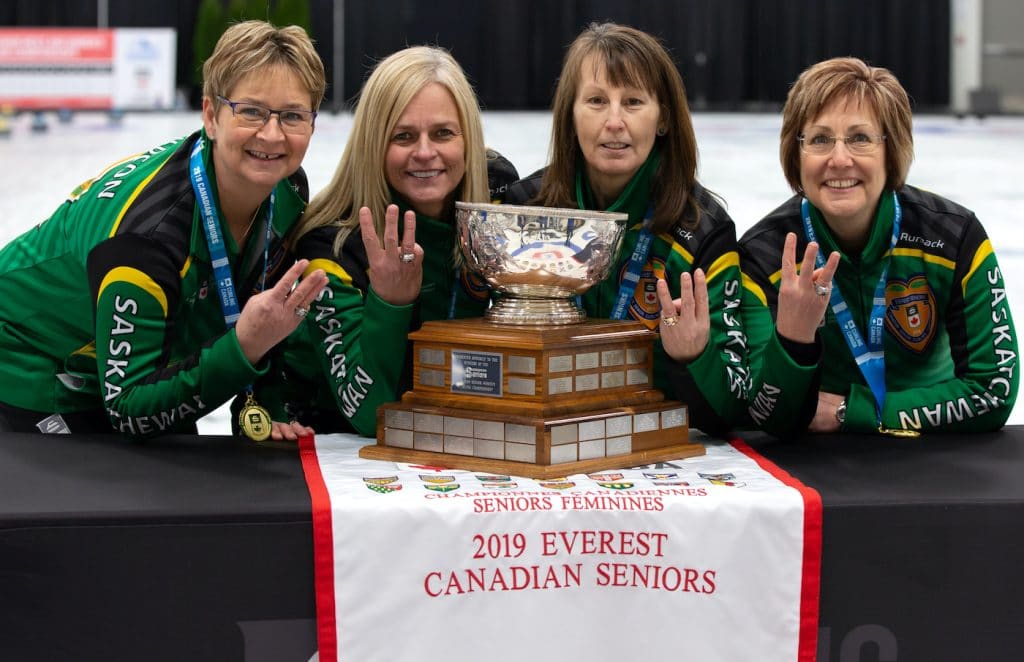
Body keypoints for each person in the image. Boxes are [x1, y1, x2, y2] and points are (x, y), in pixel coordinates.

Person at [0, 20, 329, 440]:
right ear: (211, 115)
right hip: (32, 365)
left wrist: (269, 406)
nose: (272, 133)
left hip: (133, 372)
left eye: (292, 116)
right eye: (251, 111)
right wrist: (242, 349)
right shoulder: (147, 239)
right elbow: (128, 411)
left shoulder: (287, 188)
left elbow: (269, 315)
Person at [739, 56, 1018, 435]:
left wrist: (853, 412)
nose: (840, 159)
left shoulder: (955, 236)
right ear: (796, 152)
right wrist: (793, 339)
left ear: (892, 150)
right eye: (820, 139)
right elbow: (759, 410)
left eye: (860, 138)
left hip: (936, 452)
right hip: (822, 466)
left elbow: (993, 391)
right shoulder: (763, 255)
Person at [501, 22, 747, 436]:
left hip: (650, 451)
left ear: (663, 119)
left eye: (633, 101)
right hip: (539, 438)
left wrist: (692, 359)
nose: (614, 121)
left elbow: (733, 410)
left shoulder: (704, 231)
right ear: (570, 115)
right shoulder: (522, 210)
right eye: (596, 100)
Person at [262, 45, 518, 436]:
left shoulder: (499, 194)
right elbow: (369, 415)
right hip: (333, 449)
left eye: (443, 133)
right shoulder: (331, 247)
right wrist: (391, 304)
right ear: (373, 145)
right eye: (403, 136)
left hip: (462, 429)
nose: (425, 152)